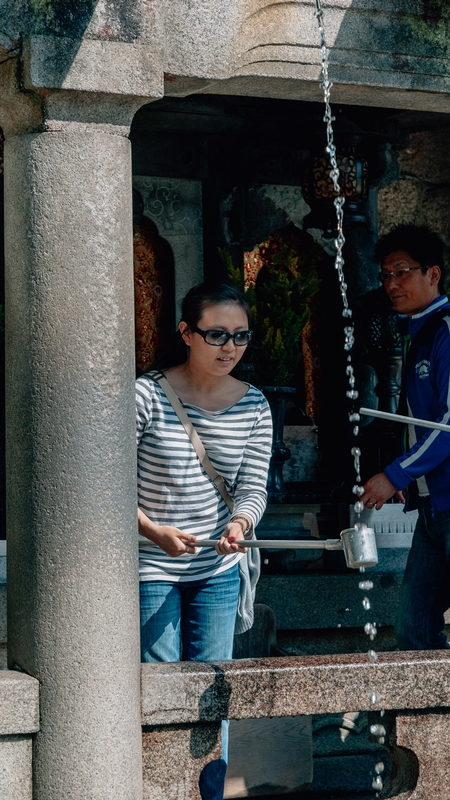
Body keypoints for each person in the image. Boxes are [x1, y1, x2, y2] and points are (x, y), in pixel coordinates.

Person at [136, 282, 272, 799]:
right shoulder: (147, 394)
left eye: (240, 336)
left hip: (216, 568)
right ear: (187, 333)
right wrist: (152, 530)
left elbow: (253, 486)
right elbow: (106, 484)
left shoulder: (255, 402)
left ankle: (211, 793)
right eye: (216, 334)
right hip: (152, 563)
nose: (229, 347)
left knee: (214, 692)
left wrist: (239, 525)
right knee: (164, 685)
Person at [360, 224, 450, 651]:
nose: (391, 284)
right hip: (435, 510)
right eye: (385, 274)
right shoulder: (420, 334)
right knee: (413, 632)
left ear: (434, 274)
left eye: (402, 272)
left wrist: (396, 474)